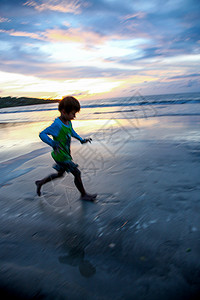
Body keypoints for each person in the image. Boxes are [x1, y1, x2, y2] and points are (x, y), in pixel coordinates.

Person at [35, 96, 97, 201]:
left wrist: (81, 140)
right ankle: (83, 195)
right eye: (73, 113)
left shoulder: (68, 122)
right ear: (64, 111)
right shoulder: (57, 125)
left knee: (60, 174)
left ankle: (40, 182)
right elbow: (42, 134)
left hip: (65, 153)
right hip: (61, 155)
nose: (74, 116)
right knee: (77, 173)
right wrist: (52, 143)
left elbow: (71, 132)